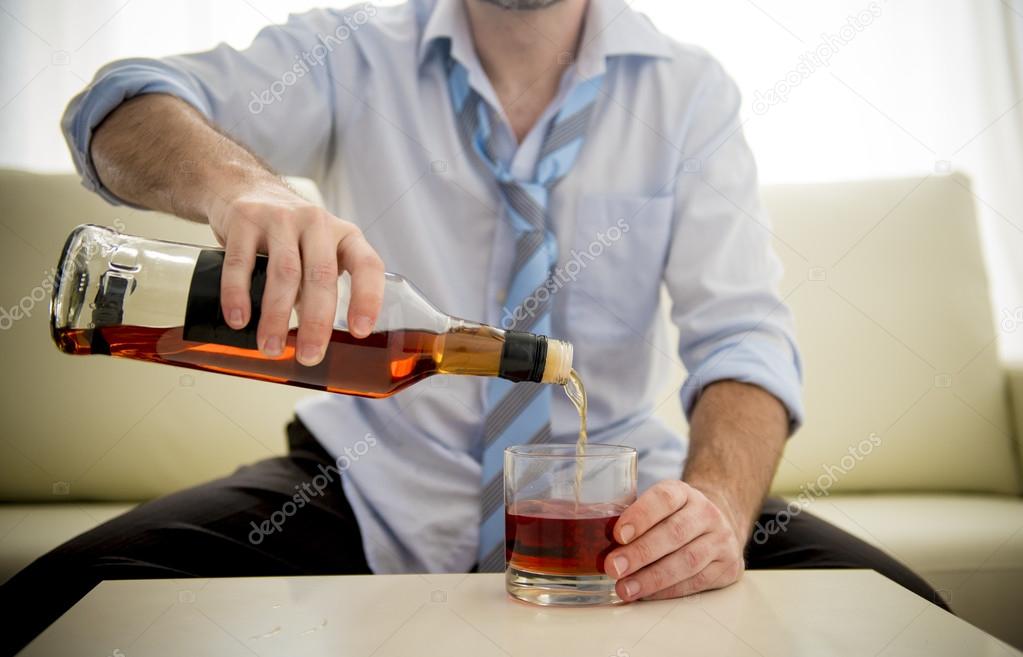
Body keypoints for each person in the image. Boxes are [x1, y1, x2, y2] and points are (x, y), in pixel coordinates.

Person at [1, 0, 945, 651]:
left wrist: (715, 512)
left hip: (624, 502)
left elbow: (742, 339)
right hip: (357, 483)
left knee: (911, 620)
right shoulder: (356, 48)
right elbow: (116, 105)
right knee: (56, 603)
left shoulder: (688, 93)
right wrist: (240, 185)